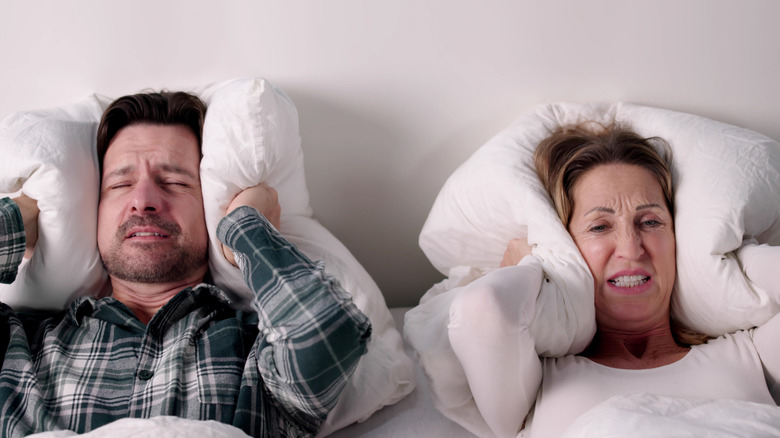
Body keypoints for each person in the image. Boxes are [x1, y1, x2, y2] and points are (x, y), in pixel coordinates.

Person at [0, 91, 371, 437]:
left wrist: (245, 225)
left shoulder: (257, 355)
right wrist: (26, 216)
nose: (143, 200)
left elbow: (329, 329)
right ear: (91, 214)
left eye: (174, 181)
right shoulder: (21, 348)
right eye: (120, 185)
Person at [447, 122, 780, 437]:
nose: (631, 249)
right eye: (599, 227)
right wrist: (536, 263)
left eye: (650, 222)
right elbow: (482, 309)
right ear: (566, 247)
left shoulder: (754, 355)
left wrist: (728, 255)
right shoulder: (538, 380)